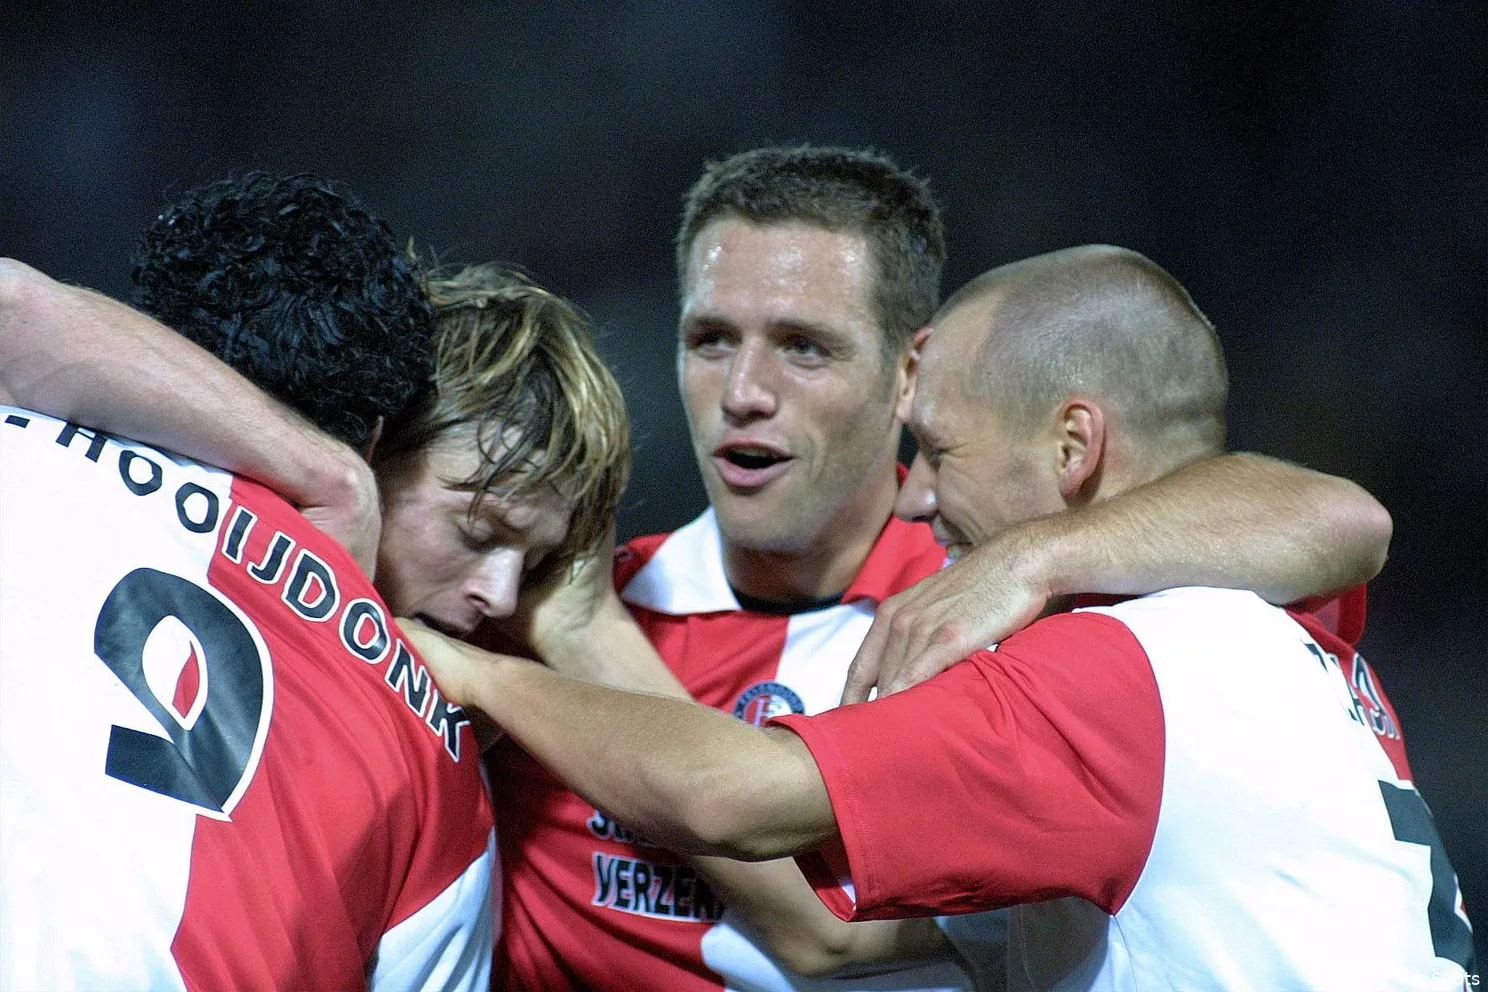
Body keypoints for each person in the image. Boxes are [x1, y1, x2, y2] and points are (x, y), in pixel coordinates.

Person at [411, 245, 1474, 991]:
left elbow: (728, 796)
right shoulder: (1276, 626)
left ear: (1073, 447)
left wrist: (482, 673)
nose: (914, 492)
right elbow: (1337, 518)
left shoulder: (1117, 668)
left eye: (940, 450)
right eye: (711, 339)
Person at [0, 173, 499, 990]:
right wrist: (339, 481)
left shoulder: (16, 457)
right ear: (380, 435)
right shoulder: (433, 748)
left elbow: (16, 305)